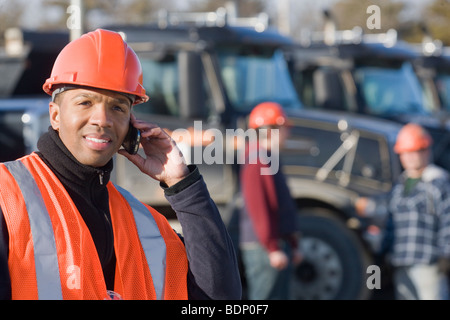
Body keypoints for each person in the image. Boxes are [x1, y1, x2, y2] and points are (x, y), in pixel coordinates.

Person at [0, 28, 241, 300]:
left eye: (118, 108)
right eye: (85, 102)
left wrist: (183, 185)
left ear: (131, 125)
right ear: (55, 115)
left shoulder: (145, 224)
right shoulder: (5, 197)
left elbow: (220, 298)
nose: (102, 119)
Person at [355, 122, 450, 300]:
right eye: (405, 153)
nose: (410, 158)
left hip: (429, 263)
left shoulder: (438, 183)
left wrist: (446, 254)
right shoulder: (399, 186)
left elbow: (448, 219)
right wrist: (380, 249)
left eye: (415, 151)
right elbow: (390, 222)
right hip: (401, 261)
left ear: (426, 151)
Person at [238, 102, 302, 300]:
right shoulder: (258, 160)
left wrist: (292, 243)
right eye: (284, 129)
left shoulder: (268, 158)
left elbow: (281, 205)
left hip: (271, 245)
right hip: (263, 248)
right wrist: (272, 248)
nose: (287, 134)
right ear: (269, 130)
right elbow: (259, 209)